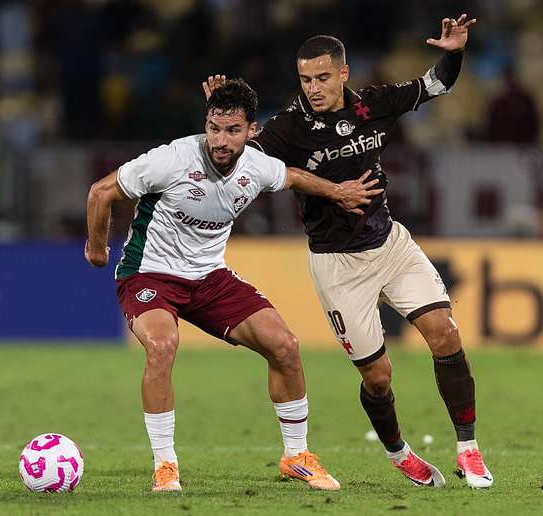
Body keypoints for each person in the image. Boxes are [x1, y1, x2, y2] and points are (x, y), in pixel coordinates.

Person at [203, 14, 493, 489]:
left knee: (445, 333)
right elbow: (234, 156)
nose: (312, 88)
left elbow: (435, 86)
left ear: (343, 73)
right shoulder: (288, 129)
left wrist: (454, 52)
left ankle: (469, 450)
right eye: (304, 79)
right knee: (378, 376)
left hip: (390, 243)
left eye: (321, 77)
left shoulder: (374, 105)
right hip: (338, 265)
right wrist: (220, 121)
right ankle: (400, 452)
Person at [85, 79, 382, 492]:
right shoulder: (171, 159)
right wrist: (96, 249)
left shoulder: (257, 167)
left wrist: (337, 192)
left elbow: (293, 176)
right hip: (150, 273)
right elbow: (101, 192)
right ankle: (165, 465)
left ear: (252, 131)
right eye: (213, 128)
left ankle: (296, 457)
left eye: (232, 130)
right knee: (162, 345)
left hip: (210, 278)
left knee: (285, 346)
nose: (220, 140)